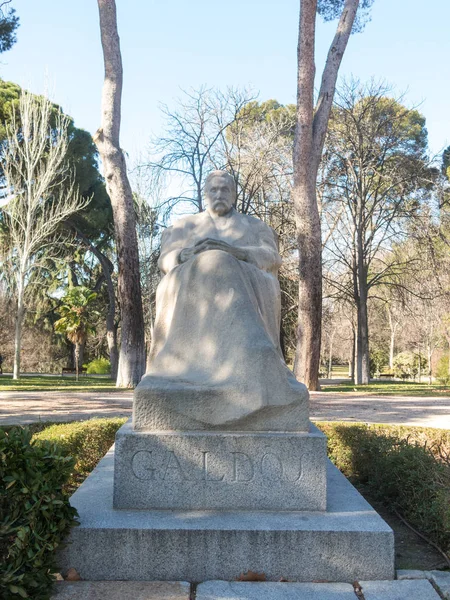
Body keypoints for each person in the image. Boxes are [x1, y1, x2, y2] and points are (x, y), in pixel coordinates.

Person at [134, 170, 308, 431]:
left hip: (246, 285)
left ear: (234, 194)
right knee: (211, 261)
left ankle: (251, 362)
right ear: (205, 194)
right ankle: (196, 365)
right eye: (213, 189)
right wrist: (187, 255)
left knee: (220, 260)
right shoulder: (184, 226)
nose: (219, 194)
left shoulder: (254, 226)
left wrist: (235, 253)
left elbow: (272, 257)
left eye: (225, 189)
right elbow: (165, 260)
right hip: (192, 294)